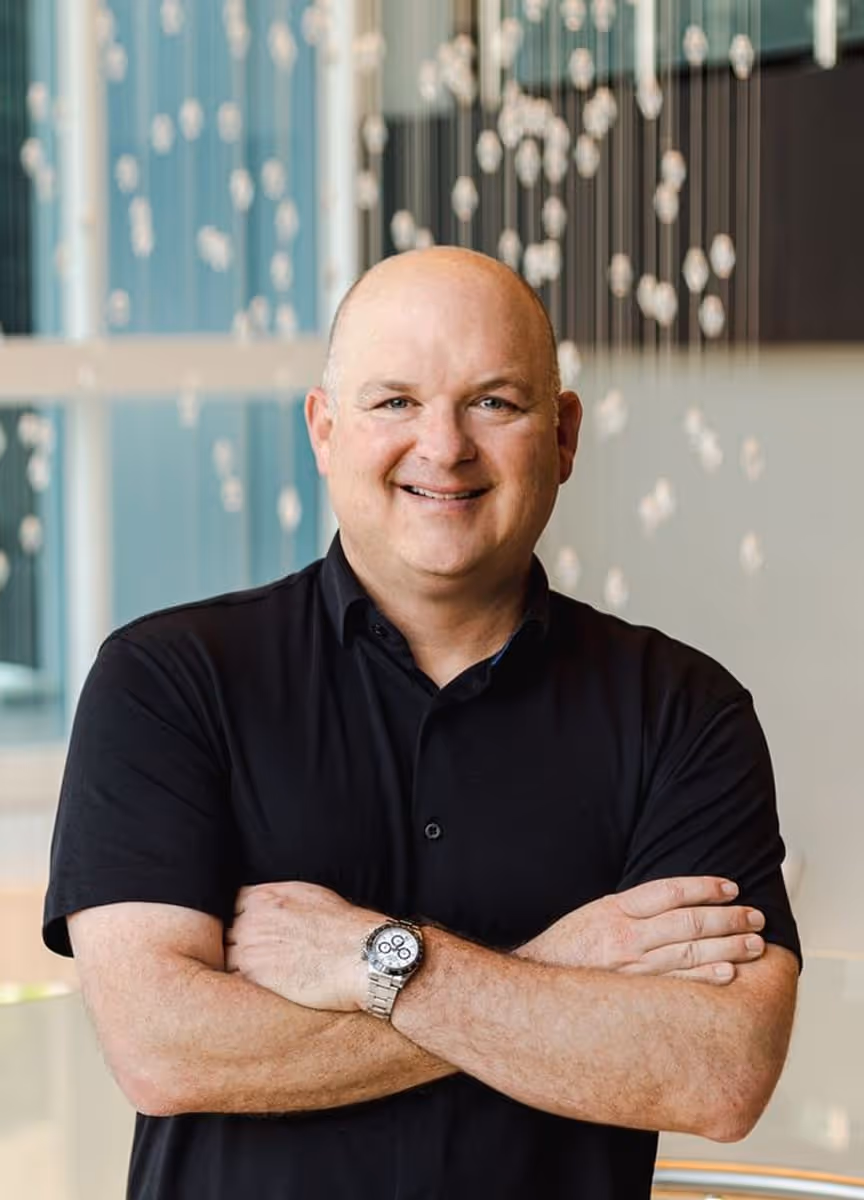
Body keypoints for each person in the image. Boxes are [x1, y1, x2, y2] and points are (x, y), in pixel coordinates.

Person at [43, 246, 800, 1200]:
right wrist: (557, 968)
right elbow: (164, 1049)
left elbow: (718, 1074)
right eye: (394, 401)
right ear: (323, 431)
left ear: (564, 436)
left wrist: (369, 959)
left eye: (495, 402)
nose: (444, 447)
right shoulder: (165, 680)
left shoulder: (688, 712)